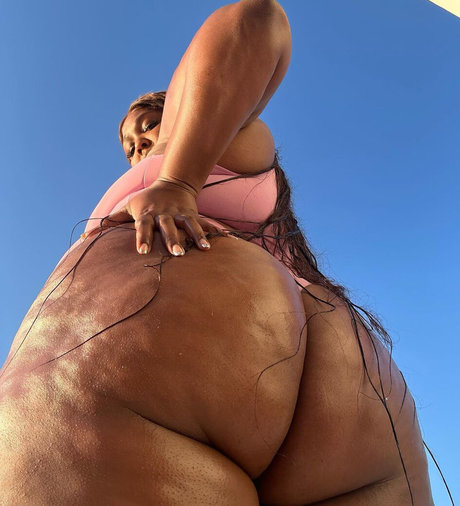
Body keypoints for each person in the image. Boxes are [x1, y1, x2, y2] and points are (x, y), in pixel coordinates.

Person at [0, 0, 434, 504]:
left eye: (147, 125)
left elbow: (255, 18)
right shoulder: (254, 178)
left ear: (178, 106)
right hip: (351, 376)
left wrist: (177, 181)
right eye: (129, 147)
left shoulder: (188, 151)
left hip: (165, 339)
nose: (139, 147)